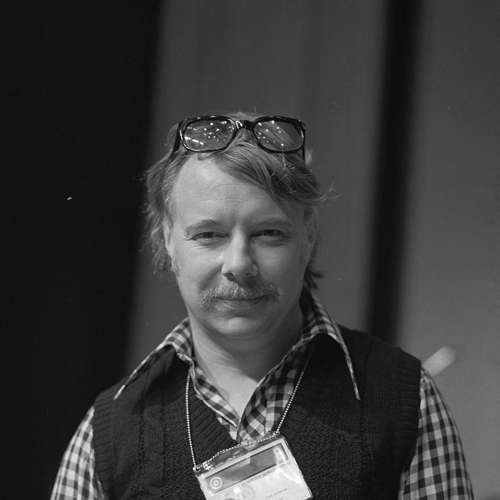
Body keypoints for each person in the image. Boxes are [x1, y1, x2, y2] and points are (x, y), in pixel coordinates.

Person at [51, 112, 473, 499]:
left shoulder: (404, 398)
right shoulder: (108, 431)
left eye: (268, 233)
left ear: (308, 236)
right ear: (167, 241)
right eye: (209, 235)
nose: (238, 264)